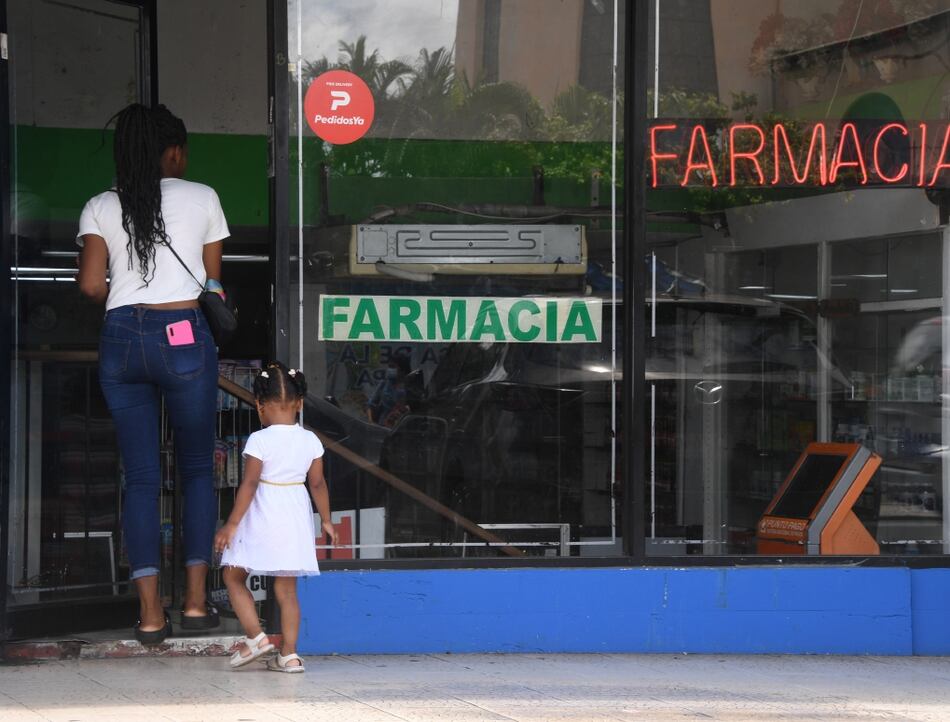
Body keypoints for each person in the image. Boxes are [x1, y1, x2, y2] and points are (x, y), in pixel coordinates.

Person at [77, 103, 229, 644]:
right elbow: (212, 284)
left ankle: (148, 617)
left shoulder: (100, 205)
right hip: (182, 334)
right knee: (194, 472)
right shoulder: (203, 197)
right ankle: (192, 604)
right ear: (172, 152)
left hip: (121, 339)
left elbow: (93, 286)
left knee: (139, 479)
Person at [214, 362, 337, 672]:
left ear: (259, 405)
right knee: (286, 590)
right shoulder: (310, 440)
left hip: (263, 510)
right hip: (295, 511)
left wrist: (231, 524)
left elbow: (251, 483)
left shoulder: (260, 439)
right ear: (299, 403)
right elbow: (318, 483)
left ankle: (256, 637)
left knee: (232, 575)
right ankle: (290, 656)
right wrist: (326, 519)